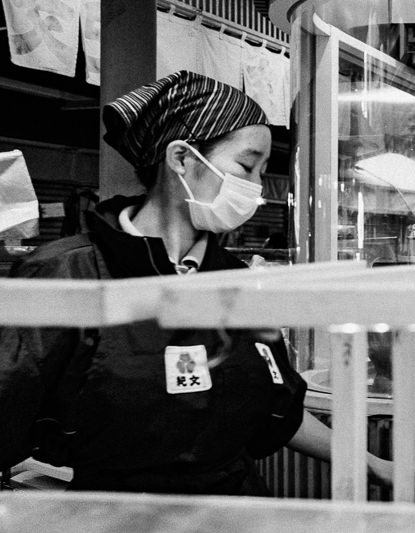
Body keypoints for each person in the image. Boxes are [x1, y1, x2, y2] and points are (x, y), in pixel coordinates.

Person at [0, 71, 392, 495]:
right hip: (116, 514)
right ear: (181, 159)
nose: (256, 188)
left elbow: (278, 408)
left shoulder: (235, 281)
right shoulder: (68, 275)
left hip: (236, 509)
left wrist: (371, 464)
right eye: (246, 166)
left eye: (262, 172)